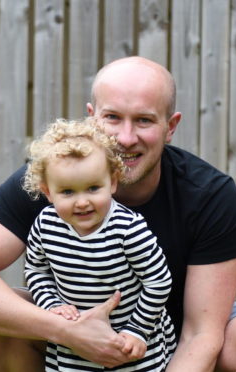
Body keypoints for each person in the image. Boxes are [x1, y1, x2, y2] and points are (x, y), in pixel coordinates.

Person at [0, 56, 236, 372]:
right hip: (71, 333)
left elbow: (200, 335)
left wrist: (136, 335)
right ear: (92, 117)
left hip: (171, 331)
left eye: (144, 120)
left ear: (170, 127)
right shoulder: (48, 182)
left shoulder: (210, 195)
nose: (126, 138)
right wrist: (65, 329)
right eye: (113, 118)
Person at [22, 118, 176, 371]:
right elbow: (36, 271)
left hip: (131, 342)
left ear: (113, 182)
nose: (82, 202)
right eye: (68, 192)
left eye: (93, 188)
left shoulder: (128, 228)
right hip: (74, 344)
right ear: (48, 192)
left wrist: (137, 330)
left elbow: (158, 281)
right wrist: (52, 305)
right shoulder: (46, 224)